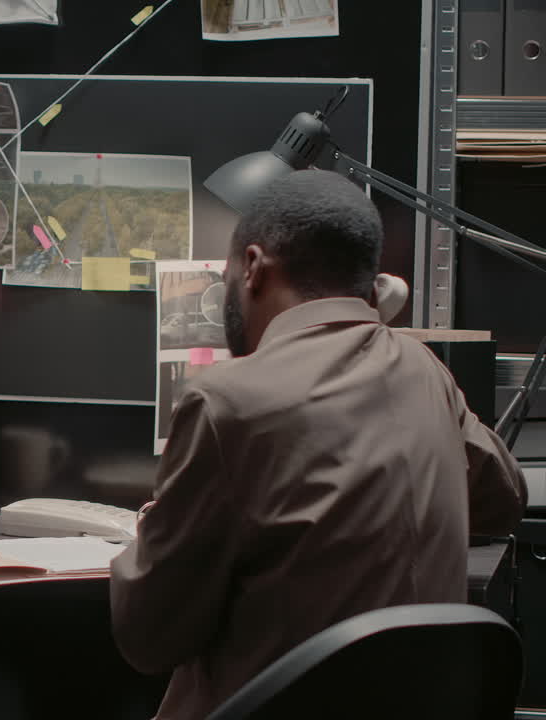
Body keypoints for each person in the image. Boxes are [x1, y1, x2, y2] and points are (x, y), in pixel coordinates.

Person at [110, 170, 527, 720]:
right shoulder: (423, 370)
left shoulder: (226, 400)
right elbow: (505, 499)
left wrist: (151, 533)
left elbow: (149, 638)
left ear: (254, 267)